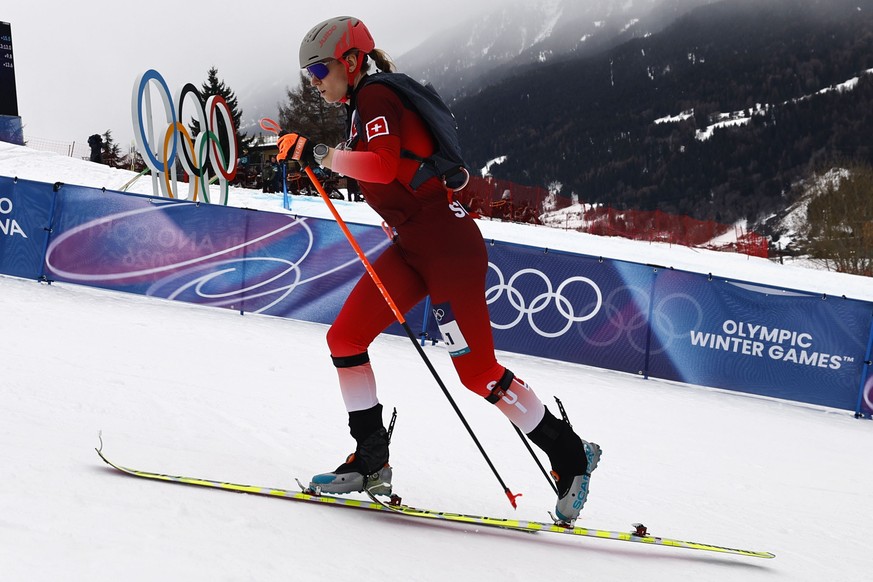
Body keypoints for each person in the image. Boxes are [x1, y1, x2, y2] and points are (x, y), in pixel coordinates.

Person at [280, 15, 601, 524]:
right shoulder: (360, 111)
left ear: (350, 60)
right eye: (310, 76)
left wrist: (321, 153)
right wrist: (322, 158)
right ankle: (370, 461)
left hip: (449, 249)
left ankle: (572, 454)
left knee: (477, 373)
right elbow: (391, 174)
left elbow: (382, 165)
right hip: (413, 249)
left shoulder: (375, 97)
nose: (315, 83)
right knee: (344, 339)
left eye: (319, 71)